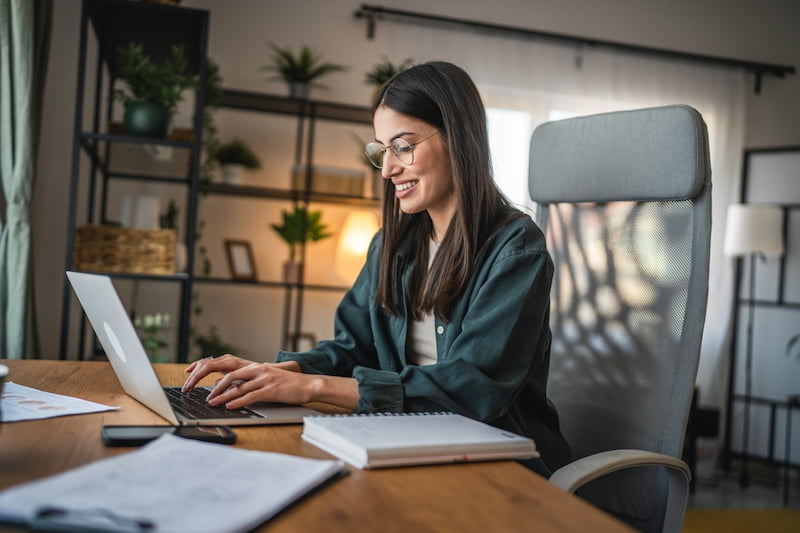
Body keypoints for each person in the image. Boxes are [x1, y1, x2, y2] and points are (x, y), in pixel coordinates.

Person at [183, 61, 571, 475]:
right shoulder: (392, 244)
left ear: (458, 139)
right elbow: (354, 347)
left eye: (403, 146)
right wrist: (276, 372)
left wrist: (312, 386)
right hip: (406, 440)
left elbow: (472, 390)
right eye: (382, 150)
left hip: (498, 463)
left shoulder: (516, 250)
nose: (387, 170)